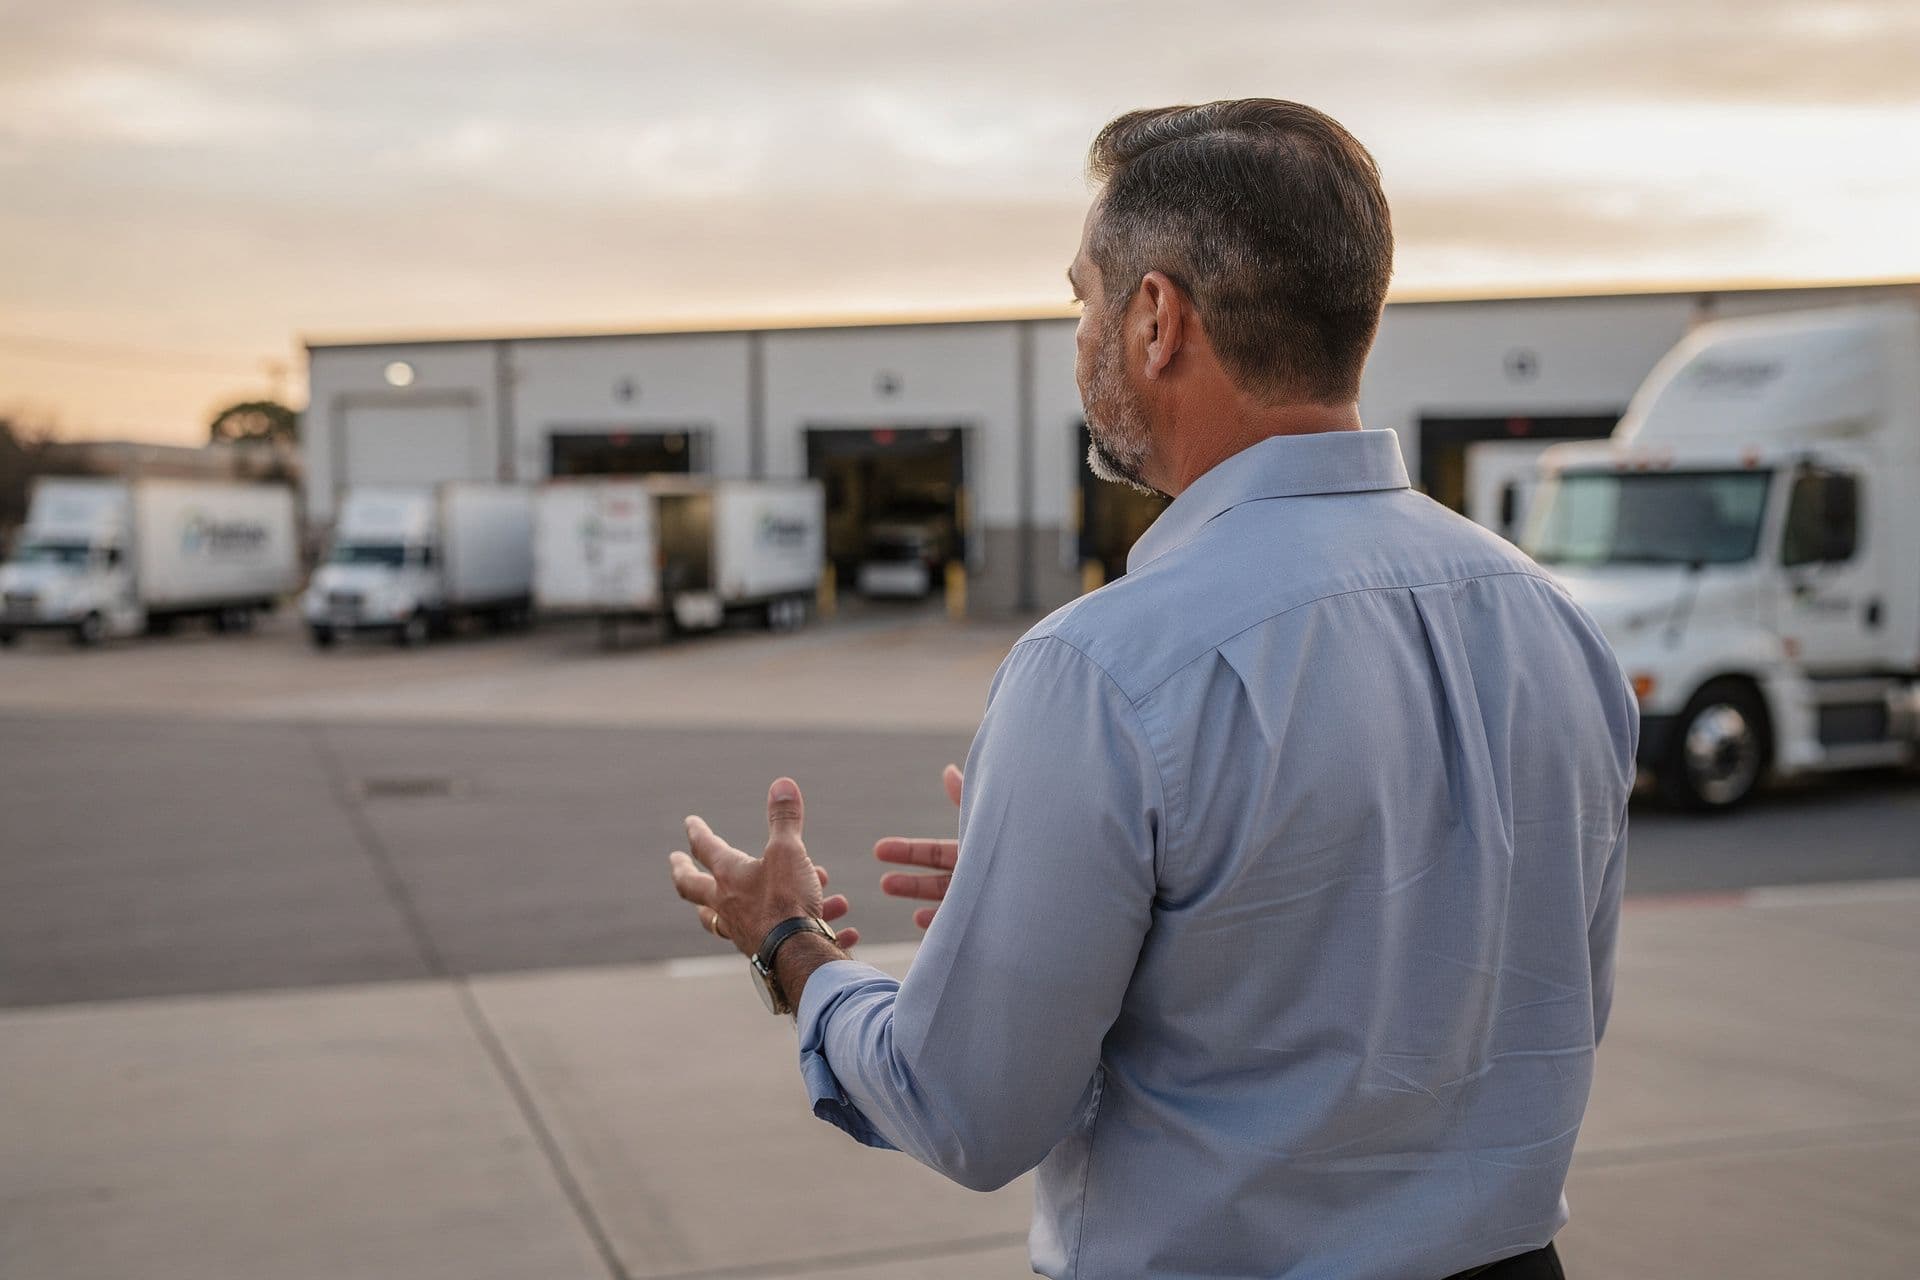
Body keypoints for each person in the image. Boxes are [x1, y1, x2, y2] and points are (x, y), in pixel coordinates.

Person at [668, 98, 1637, 1279]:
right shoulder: (1552, 625)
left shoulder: (1107, 670)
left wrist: (788, 941)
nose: (1081, 336)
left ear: (1157, 320)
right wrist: (1113, 918)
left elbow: (965, 1105)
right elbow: (1517, 998)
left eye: (1083, 298)